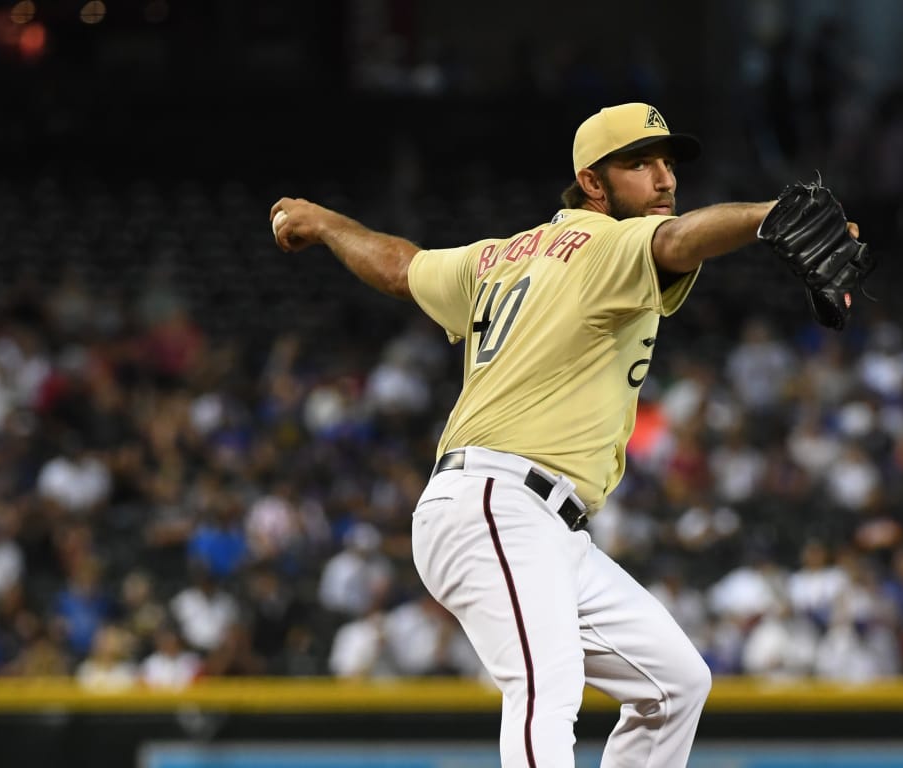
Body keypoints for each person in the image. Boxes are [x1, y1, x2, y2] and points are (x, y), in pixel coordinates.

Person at [270, 102, 862, 767]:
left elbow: (399, 266)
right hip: (499, 502)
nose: (664, 179)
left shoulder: (499, 257)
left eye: (668, 163)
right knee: (545, 689)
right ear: (593, 183)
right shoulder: (606, 243)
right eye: (639, 165)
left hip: (540, 526)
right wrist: (766, 216)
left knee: (675, 685)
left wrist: (325, 224)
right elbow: (677, 240)